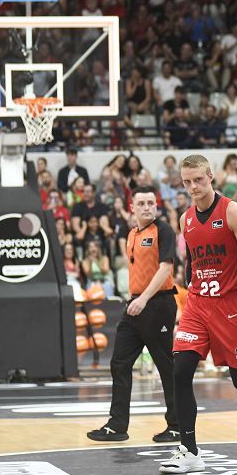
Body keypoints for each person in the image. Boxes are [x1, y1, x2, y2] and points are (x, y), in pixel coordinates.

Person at [158, 155, 237, 474]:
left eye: (198, 180)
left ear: (211, 177)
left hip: (232, 302)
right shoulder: (186, 218)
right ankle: (189, 450)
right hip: (199, 303)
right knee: (181, 368)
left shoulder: (233, 211)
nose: (193, 187)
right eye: (186, 182)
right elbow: (192, 260)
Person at [87, 186, 179, 444]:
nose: (148, 207)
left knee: (165, 366)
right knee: (119, 362)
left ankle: (176, 425)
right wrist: (136, 299)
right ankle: (117, 426)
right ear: (133, 207)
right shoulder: (131, 234)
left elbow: (166, 268)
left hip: (158, 303)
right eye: (142, 203)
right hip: (136, 305)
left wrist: (144, 298)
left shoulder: (163, 230)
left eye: (151, 202)